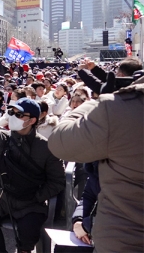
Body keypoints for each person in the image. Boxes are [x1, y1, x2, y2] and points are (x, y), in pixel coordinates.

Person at [48, 75, 144, 252]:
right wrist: (79, 221)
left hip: (124, 240)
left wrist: (100, 102)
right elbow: (89, 193)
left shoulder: (121, 110)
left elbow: (59, 141)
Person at [0, 98, 64, 253]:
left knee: (29, 229)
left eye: (19, 114)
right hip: (3, 197)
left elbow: (57, 181)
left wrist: (37, 196)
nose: (12, 116)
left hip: (31, 202)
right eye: (11, 112)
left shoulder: (46, 147)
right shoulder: (1, 138)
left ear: (32, 120)